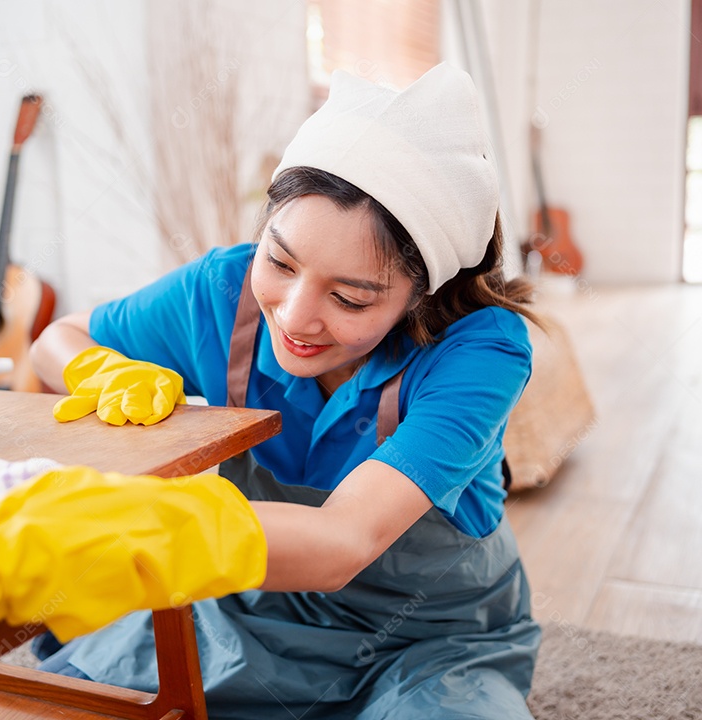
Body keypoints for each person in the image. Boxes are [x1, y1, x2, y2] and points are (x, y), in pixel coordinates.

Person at [29, 63, 543, 720]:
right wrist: (100, 371)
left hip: (428, 644)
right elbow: (57, 339)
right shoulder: (220, 293)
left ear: (422, 294)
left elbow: (341, 542)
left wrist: (126, 527)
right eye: (279, 261)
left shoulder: (481, 351)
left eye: (350, 297)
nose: (295, 318)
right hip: (251, 613)